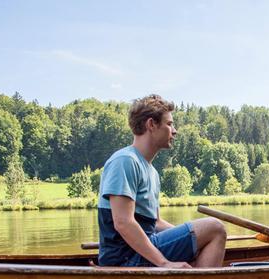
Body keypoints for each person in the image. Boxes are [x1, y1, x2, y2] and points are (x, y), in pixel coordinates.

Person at [97, 94, 226, 268]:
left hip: (144, 249)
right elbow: (123, 222)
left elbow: (155, 223)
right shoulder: (125, 161)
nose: (174, 131)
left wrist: (192, 236)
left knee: (205, 235)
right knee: (215, 228)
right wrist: (164, 262)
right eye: (169, 124)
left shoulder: (152, 172)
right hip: (125, 259)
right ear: (151, 124)